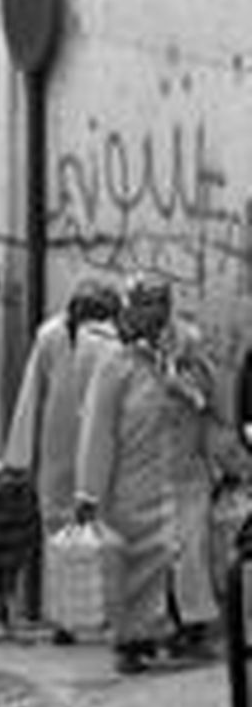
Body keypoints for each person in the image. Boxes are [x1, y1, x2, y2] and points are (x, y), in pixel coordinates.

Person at [75, 276, 220, 674]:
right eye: (142, 304)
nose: (150, 313)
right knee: (137, 561)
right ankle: (133, 640)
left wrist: (183, 381)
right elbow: (97, 430)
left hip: (185, 476)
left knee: (190, 552)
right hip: (133, 484)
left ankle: (189, 629)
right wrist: (89, 492)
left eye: (157, 304)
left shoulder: (187, 352)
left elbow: (211, 408)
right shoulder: (115, 363)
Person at [3, 279, 123, 642]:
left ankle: (102, 613)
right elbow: (31, 394)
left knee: (101, 526)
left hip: (100, 444)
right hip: (59, 445)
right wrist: (20, 456)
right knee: (58, 532)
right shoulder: (51, 337)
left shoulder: (112, 344)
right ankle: (65, 617)